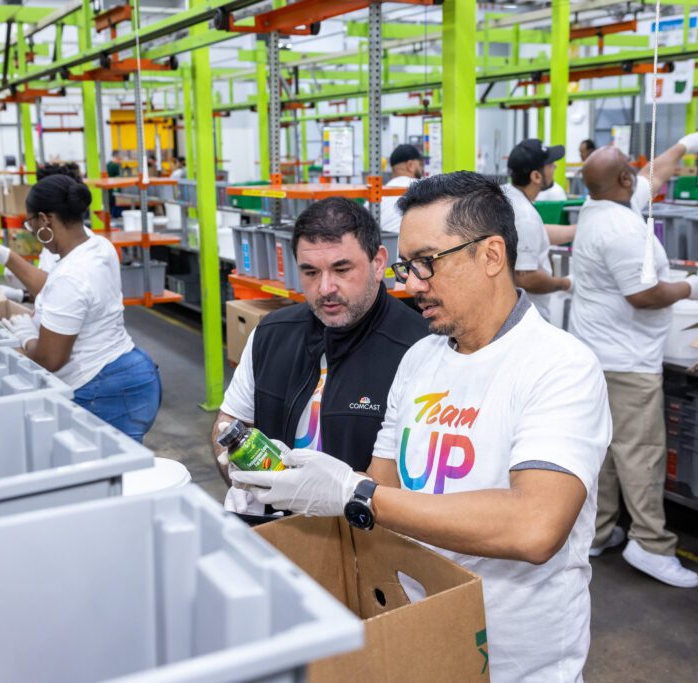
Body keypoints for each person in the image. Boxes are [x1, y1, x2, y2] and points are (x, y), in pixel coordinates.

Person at [231, 172, 613, 681]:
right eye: (410, 265)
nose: (411, 284)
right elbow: (384, 478)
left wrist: (354, 493)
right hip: (419, 628)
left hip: (515, 660)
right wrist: (317, 485)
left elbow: (534, 526)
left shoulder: (559, 366)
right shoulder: (421, 359)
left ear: (491, 255)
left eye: (426, 263)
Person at [569, 130, 698, 588]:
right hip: (627, 361)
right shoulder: (619, 228)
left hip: (600, 353)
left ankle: (599, 531)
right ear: (623, 177)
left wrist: (689, 143)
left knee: (607, 451)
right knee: (642, 453)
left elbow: (657, 170)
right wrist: (697, 286)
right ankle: (650, 545)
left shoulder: (605, 206)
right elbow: (644, 294)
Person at [214, 197, 427, 512]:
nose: (326, 287)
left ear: (379, 262)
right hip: (279, 535)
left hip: (366, 547)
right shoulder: (271, 334)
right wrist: (234, 468)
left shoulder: (420, 349)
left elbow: (416, 490)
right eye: (310, 272)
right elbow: (230, 422)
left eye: (341, 269)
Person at [0, 175, 162, 443]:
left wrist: (26, 337)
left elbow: (50, 359)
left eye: (29, 222)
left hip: (102, 388)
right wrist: (12, 273)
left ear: (45, 220)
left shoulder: (70, 275)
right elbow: (64, 293)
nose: (30, 230)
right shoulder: (97, 246)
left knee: (106, 475)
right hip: (133, 371)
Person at [501, 139, 573, 320]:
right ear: (536, 176)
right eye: (549, 164)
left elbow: (537, 234)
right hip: (526, 317)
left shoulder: (505, 195)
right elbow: (526, 278)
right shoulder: (525, 216)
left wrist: (580, 230)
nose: (555, 167)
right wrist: (566, 283)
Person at [380, 144, 424, 234]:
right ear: (410, 165)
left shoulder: (377, 194)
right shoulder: (424, 189)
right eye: (420, 164)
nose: (422, 169)